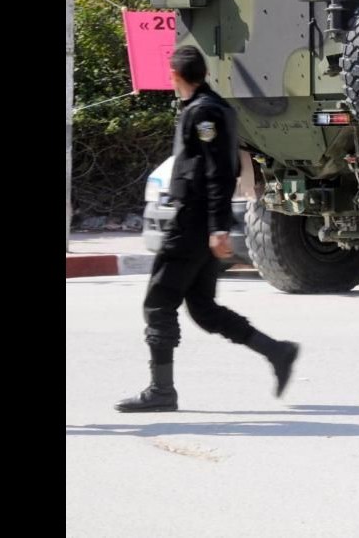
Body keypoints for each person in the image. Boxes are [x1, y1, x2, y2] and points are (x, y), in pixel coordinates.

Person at [116, 46, 300, 413]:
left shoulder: (205, 113)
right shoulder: (207, 107)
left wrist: (217, 228)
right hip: (198, 222)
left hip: (193, 223)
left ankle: (161, 391)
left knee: (158, 303)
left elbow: (218, 173)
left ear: (175, 74)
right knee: (202, 308)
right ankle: (276, 351)